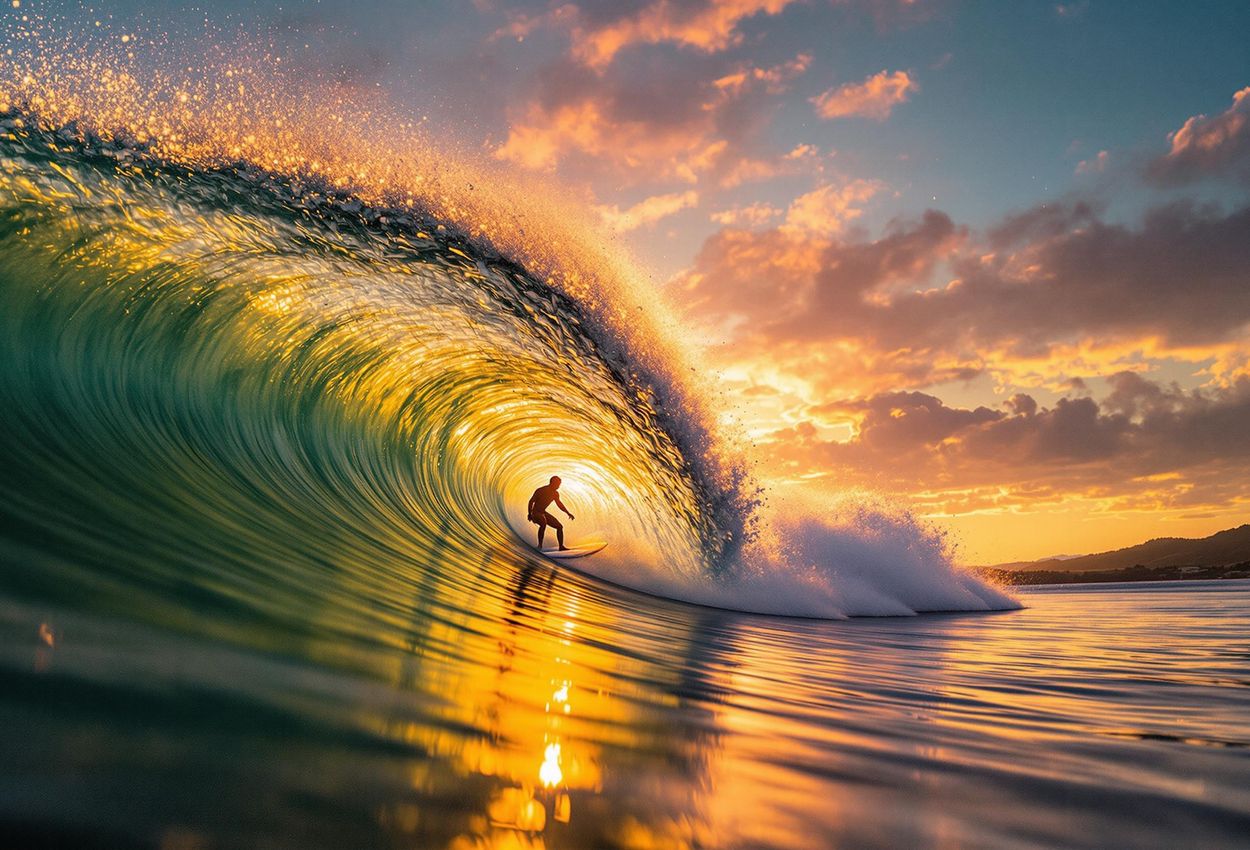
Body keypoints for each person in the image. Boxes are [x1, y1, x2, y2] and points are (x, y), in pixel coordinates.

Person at [528, 476, 575, 550]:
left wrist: (568, 513)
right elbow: (531, 501)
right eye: (558, 484)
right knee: (543, 522)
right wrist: (530, 514)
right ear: (552, 483)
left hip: (543, 512)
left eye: (559, 484)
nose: (559, 486)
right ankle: (539, 546)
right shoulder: (541, 490)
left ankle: (561, 547)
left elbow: (559, 504)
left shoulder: (555, 494)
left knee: (559, 527)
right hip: (535, 512)